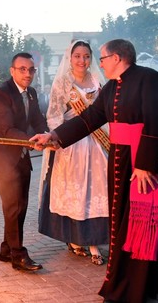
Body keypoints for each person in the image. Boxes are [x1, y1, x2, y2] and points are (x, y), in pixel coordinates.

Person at [31, 39, 158, 302]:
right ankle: (127, 282)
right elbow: (89, 119)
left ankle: (139, 284)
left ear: (117, 57)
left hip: (145, 164)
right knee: (123, 222)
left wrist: (145, 164)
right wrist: (53, 135)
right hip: (121, 161)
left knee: (142, 224)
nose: (98, 63)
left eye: (101, 58)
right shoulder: (111, 87)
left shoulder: (149, 78)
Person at [38, 40, 109, 266]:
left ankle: (94, 241)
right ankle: (74, 239)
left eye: (86, 56)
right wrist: (58, 137)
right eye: (77, 56)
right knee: (74, 190)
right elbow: (54, 115)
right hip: (71, 144)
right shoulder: (62, 83)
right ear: (70, 58)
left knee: (96, 190)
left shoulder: (98, 81)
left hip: (96, 143)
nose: (82, 60)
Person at [0, 52, 48, 272]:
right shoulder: (0, 95)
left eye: (31, 70)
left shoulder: (31, 94)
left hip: (21, 156)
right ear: (12, 71)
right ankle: (18, 255)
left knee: (21, 205)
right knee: (13, 206)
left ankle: (6, 249)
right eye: (22, 69)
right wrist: (33, 142)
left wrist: (49, 136)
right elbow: (7, 129)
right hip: (3, 158)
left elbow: (37, 120)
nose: (27, 74)